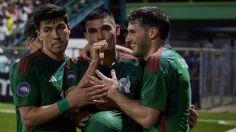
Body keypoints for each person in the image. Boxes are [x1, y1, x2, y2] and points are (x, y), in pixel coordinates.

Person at [89, 6, 192, 132]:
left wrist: (113, 92)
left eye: (132, 32)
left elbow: (147, 118)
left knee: (100, 121)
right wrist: (91, 47)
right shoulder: (170, 57)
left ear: (152, 33)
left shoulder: (159, 61)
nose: (127, 39)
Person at [9, 4, 107, 132]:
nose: (56, 35)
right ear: (39, 34)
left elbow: (75, 103)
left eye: (60, 27)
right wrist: (69, 102)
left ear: (69, 29)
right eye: (47, 30)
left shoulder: (74, 65)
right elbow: (28, 117)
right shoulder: (28, 65)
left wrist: (75, 116)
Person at [57, 8, 143, 132]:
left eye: (105, 29)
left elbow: (149, 108)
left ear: (117, 30)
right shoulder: (75, 64)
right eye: (92, 31)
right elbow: (73, 104)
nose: (100, 36)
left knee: (101, 121)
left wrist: (117, 101)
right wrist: (94, 62)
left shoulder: (135, 64)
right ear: (86, 36)